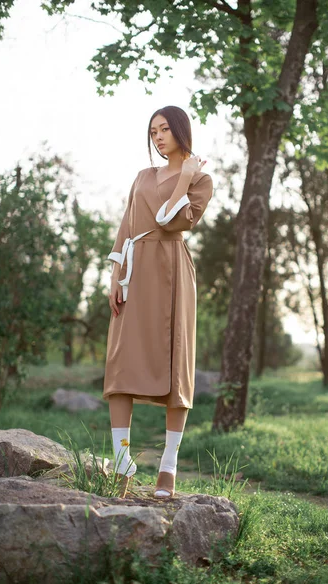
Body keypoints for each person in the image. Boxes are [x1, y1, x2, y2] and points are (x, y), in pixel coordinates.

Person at [103, 105, 214, 498]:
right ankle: (122, 462)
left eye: (165, 129)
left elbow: (172, 222)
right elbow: (126, 225)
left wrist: (184, 177)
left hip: (172, 274)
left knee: (176, 366)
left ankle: (168, 467)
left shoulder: (201, 181)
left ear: (181, 131)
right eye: (153, 131)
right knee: (119, 365)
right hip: (135, 272)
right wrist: (114, 275)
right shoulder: (142, 177)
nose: (158, 137)